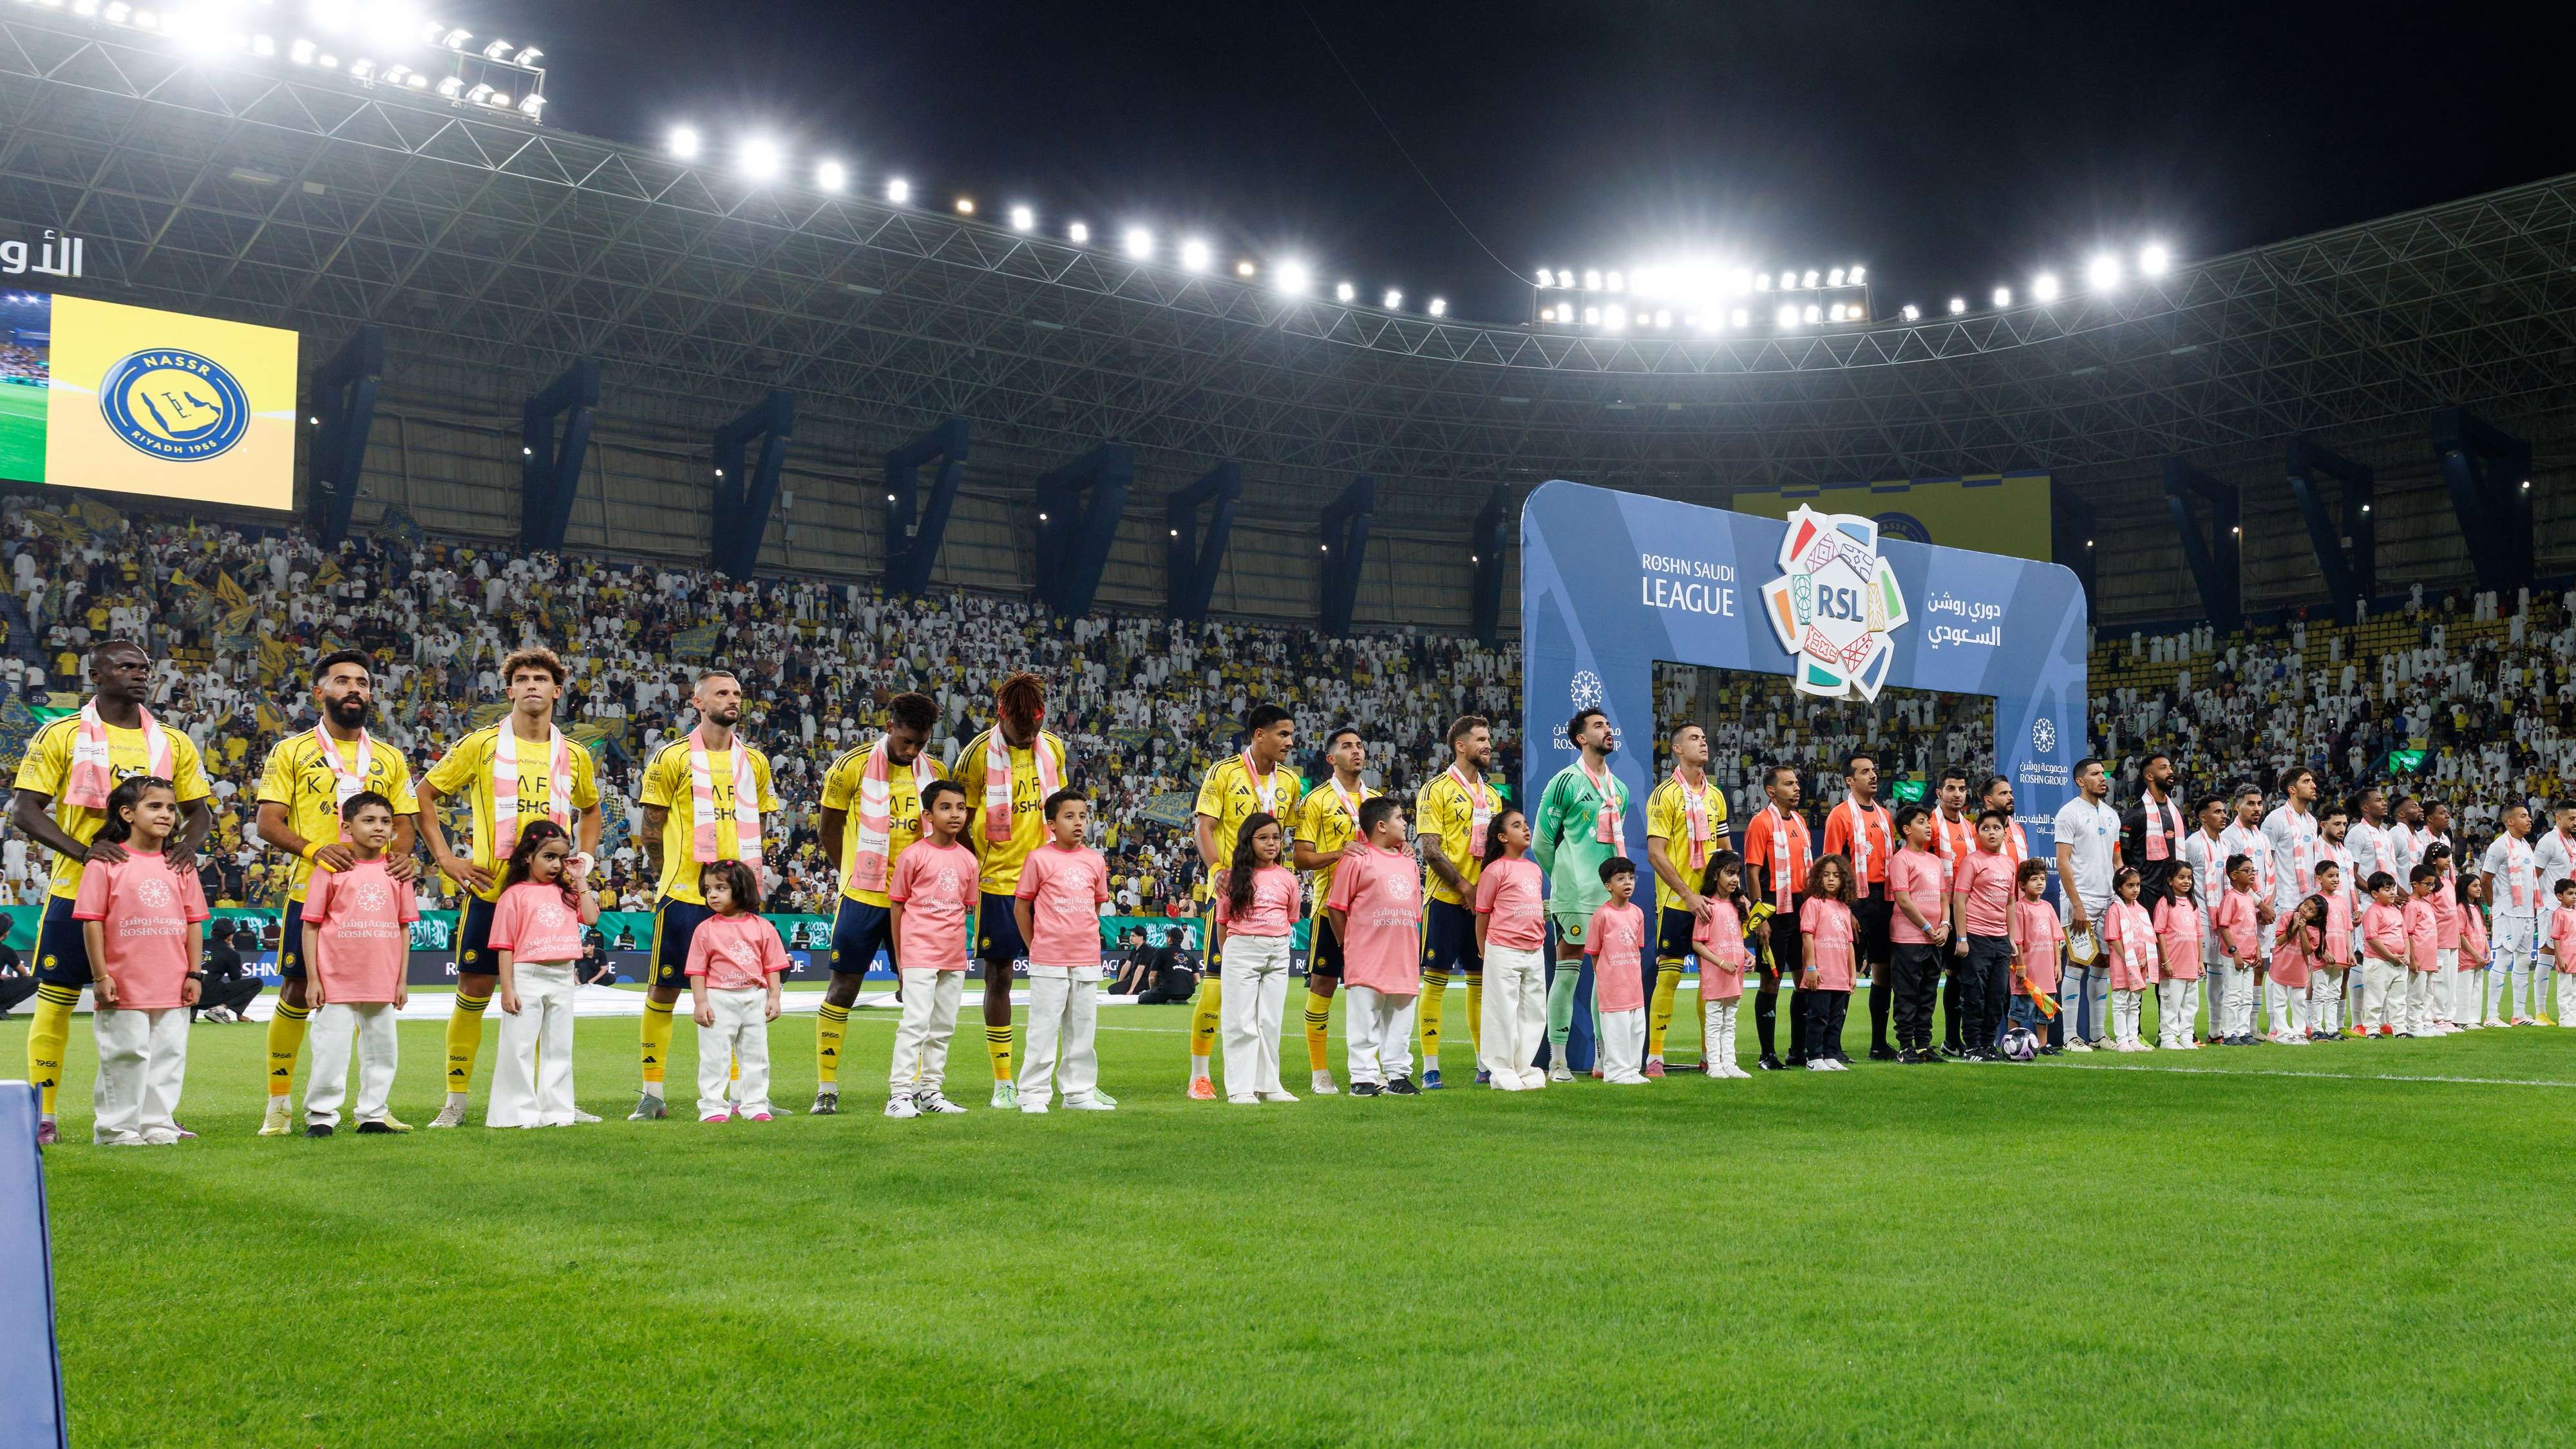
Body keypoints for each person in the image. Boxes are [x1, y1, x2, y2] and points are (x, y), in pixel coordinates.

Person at [12, 639, 215, 1148]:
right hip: (76, 890)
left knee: (158, 1013)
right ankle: (45, 1112)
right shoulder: (60, 734)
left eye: (145, 668)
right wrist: (82, 853)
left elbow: (200, 811)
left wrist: (186, 850)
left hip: (150, 900)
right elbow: (25, 809)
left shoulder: (172, 741)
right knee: (56, 1003)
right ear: (95, 672)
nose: (139, 674)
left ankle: (153, 1119)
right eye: (126, 666)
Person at [417, 647, 602, 1129]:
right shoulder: (480, 745)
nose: (532, 686)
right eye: (523, 679)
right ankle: (455, 1100)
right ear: (510, 690)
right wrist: (445, 857)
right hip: (491, 890)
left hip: (553, 900)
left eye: (541, 678)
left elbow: (592, 809)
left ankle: (554, 1101)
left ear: (557, 691)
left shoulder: (576, 754)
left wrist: (584, 858)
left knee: (552, 1003)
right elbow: (424, 794)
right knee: (474, 991)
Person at [251, 650, 419, 1136]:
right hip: (314, 892)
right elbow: (268, 822)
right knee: (299, 992)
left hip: (376, 898)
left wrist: (402, 857)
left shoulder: (389, 757)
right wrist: (315, 851)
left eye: (362, 683)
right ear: (319, 692)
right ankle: (279, 1104)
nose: (355, 689)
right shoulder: (291, 751)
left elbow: (405, 823)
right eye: (342, 681)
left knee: (379, 1002)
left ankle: (375, 1106)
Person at [632, 670, 778, 1121]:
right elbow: (651, 827)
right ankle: (652, 1093)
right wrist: (667, 878)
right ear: (698, 702)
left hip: (740, 903)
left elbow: (765, 822)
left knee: (739, 995)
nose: (733, 699)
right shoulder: (671, 757)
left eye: (737, 692)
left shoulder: (754, 761)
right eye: (722, 693)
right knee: (664, 990)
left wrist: (749, 886)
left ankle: (742, 1096)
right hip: (684, 896)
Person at [812, 690, 945, 1114]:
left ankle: (916, 1089)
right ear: (890, 728)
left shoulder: (935, 773)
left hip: (917, 902)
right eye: (907, 741)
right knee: (844, 988)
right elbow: (828, 831)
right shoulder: (850, 766)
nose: (913, 750)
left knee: (918, 994)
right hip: (864, 897)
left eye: (921, 743)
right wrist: (851, 874)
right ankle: (827, 1088)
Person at [74, 776, 209, 1146]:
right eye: (155, 806)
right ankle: (116, 1129)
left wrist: (194, 972)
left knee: (168, 1054)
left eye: (170, 808)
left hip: (173, 978)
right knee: (125, 1054)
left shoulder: (180, 864)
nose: (166, 814)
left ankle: (158, 1124)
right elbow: (92, 922)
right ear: (127, 813)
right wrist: (101, 976)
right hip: (124, 979)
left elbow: (194, 922)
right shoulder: (105, 863)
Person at [961, 672, 1074, 1108]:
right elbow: (961, 818)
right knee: (1000, 977)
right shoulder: (975, 757)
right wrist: (977, 869)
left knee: (1066, 981)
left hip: (1050, 881)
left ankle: (1072, 1079)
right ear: (1001, 716)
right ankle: (1003, 1081)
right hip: (1000, 884)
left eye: (1036, 729)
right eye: (1020, 730)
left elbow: (1061, 809)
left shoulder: (1053, 748)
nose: (1029, 737)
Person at [1188, 701, 1300, 1099]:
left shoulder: (1290, 782)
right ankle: (1200, 1075)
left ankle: (1265, 1081)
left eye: (1290, 734)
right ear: (1259, 735)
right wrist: (1218, 869)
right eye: (1283, 734)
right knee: (1217, 989)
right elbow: (1205, 825)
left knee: (1268, 1011)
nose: (1290, 741)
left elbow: (1287, 839)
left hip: (1268, 898)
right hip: (1230, 894)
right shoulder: (1224, 773)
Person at [298, 791, 417, 1136]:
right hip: (337, 979)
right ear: (347, 827)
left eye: (385, 822)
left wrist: (401, 980)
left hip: (381, 978)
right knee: (329, 1051)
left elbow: (404, 927)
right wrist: (313, 979)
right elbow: (311, 925)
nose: (379, 828)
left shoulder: (398, 872)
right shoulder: (332, 869)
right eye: (369, 820)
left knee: (382, 1052)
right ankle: (321, 1116)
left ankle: (373, 1114)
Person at [1532, 707, 1629, 1081]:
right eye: (1599, 726)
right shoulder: (1565, 782)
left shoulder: (1618, 788)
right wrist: (1566, 879)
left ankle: (1603, 1060)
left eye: (1608, 724)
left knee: (1605, 976)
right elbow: (1542, 842)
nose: (1608, 730)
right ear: (1581, 738)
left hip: (1610, 899)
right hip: (1575, 897)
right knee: (1568, 973)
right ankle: (1557, 1061)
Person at [484, 820, 600, 1128]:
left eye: (562, 858)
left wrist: (580, 879)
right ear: (527, 858)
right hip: (527, 976)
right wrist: (507, 989)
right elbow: (504, 947)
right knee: (518, 1048)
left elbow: (590, 917)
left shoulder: (567, 892)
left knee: (559, 1048)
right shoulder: (514, 896)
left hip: (564, 975)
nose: (557, 865)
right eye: (549, 857)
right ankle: (515, 1114)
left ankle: (557, 1113)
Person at [1014, 789, 1116, 1112]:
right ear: (1051, 824)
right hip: (1048, 958)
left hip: (1086, 957)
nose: (1078, 823)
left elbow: (1096, 908)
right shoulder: (1038, 858)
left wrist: (1083, 938)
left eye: (1083, 816)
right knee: (1042, 1030)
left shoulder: (1095, 860)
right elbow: (1022, 907)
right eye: (1069, 816)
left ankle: (1079, 1093)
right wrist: (1036, 946)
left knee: (1083, 1031)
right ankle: (1033, 1094)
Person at [1415, 714, 1501, 1088]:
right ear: (1460, 746)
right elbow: (1430, 850)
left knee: (1480, 984)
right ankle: (1430, 1066)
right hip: (1446, 899)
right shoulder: (1435, 789)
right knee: (1434, 983)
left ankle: (1484, 1063)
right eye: (1481, 739)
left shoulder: (1495, 796)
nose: (1488, 745)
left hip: (1482, 906)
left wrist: (1487, 893)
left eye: (1489, 739)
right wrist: (1467, 888)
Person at [1291, 724, 1376, 1095]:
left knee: (1376, 989)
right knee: (1324, 985)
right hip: (1331, 909)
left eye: (1359, 745)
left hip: (1373, 911)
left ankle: (1373, 1068)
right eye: (1347, 746)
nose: (1356, 751)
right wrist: (1340, 853)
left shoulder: (1377, 801)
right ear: (1331, 758)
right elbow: (1300, 858)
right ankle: (1319, 1071)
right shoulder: (1317, 800)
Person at [886, 778, 980, 1117]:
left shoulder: (969, 861)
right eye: (945, 807)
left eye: (960, 808)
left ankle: (930, 1091)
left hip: (953, 956)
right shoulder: (913, 856)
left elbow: (964, 908)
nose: (955, 814)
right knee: (915, 1025)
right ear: (928, 814)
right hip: (918, 952)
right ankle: (899, 1094)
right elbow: (897, 907)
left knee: (943, 1028)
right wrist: (900, 957)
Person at [1643, 721, 1730, 1076]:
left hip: (1712, 904)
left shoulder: (1717, 796)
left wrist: (1731, 893)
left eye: (1704, 736)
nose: (1703, 742)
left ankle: (1711, 1054)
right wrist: (1688, 894)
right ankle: (1655, 1056)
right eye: (1695, 738)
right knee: (1669, 977)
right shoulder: (1665, 795)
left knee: (1712, 981)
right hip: (1678, 903)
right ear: (1677, 749)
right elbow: (1655, 853)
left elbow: (1725, 851)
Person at [1323, 796, 1424, 1097]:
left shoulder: (1409, 860)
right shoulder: (1356, 859)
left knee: (1401, 1019)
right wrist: (1348, 945)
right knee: (1364, 1019)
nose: (1404, 823)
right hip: (1367, 954)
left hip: (1403, 954)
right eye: (1398, 818)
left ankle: (1397, 1075)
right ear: (1381, 826)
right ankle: (1364, 1077)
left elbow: (1413, 911)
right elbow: (1336, 907)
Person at [685, 858, 788, 1124]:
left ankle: (755, 1105)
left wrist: (774, 997)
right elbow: (697, 971)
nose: (713, 895)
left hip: (754, 997)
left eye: (720, 888)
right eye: (708, 890)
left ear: (740, 889)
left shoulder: (763, 927)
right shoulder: (705, 930)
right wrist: (700, 1003)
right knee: (714, 1058)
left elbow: (772, 966)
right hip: (718, 999)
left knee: (756, 1057)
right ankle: (713, 1108)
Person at [1208, 811, 1298, 1105]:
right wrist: (1231, 955)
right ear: (1249, 841)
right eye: (1264, 838)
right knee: (1240, 1021)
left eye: (1276, 837)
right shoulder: (1232, 879)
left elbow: (1291, 917)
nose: (1272, 843)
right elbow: (1223, 923)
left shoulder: (1288, 879)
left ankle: (1269, 1085)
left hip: (1278, 950)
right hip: (1242, 949)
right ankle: (1241, 1088)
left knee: (1270, 1021)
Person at [1820, 752, 1897, 1060]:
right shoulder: (1839, 816)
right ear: (1850, 781)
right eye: (1865, 772)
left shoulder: (1885, 816)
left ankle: (1879, 1044)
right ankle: (1832, 1046)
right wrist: (1843, 908)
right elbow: (1831, 865)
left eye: (1874, 770)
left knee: (1884, 973)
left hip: (1885, 900)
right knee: (1842, 974)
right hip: (1854, 901)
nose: (1873, 776)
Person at [1472, 806, 1548, 1090]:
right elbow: (1483, 914)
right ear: (1502, 837)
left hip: (1534, 948)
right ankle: (1501, 1070)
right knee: (1502, 1011)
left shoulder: (1533, 869)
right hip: (1503, 948)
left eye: (1526, 824)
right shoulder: (1495, 870)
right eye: (1517, 825)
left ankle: (1524, 1068)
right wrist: (1484, 950)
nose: (1526, 829)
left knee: (1533, 1011)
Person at [1740, 764, 1810, 1070]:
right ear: (1771, 791)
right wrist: (1760, 918)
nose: (1796, 788)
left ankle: (1798, 1050)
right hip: (1772, 908)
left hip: (1799, 908)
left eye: (1796, 783)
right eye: (1789, 784)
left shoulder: (1800, 821)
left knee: (1804, 981)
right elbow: (1752, 871)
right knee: (1771, 982)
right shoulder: (1761, 823)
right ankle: (1767, 1054)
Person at [2052, 756, 2118, 1052]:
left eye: (2103, 773)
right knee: (2077, 964)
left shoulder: (2112, 815)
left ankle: (2097, 1034)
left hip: (2108, 898)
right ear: (2080, 781)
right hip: (2081, 899)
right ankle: (2069, 1036)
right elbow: (2063, 862)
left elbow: (2116, 860)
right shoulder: (2069, 813)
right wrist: (2076, 904)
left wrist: (2121, 897)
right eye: (2095, 774)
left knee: (2102, 964)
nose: (2102, 778)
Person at [1885, 804, 1953, 1064]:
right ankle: (1905, 1046)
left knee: (1927, 994)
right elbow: (1903, 900)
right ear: (1906, 829)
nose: (1928, 826)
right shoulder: (1901, 859)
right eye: (1922, 822)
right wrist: (1928, 928)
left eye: (1928, 822)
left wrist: (1945, 926)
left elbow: (1943, 898)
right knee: (1906, 994)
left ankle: (1924, 1045)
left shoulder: (1934, 861)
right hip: (1908, 939)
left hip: (1935, 938)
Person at [2260, 768, 2324, 1042]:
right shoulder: (2274, 820)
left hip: (2307, 902)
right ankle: (2276, 1026)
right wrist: (2268, 902)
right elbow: (2266, 863)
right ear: (2292, 789)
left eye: (2313, 780)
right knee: (2278, 966)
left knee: (2303, 963)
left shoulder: (2312, 821)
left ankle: (2300, 1024)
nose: (2314, 785)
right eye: (2307, 781)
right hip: (2284, 901)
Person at [1951, 809, 2018, 1061]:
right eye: (1985, 828)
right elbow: (1960, 901)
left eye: (1996, 828)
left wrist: (2011, 938)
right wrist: (1962, 937)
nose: (1991, 832)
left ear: (2004, 832)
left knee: (1998, 995)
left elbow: (2010, 903)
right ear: (1977, 833)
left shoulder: (2009, 863)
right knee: (1974, 995)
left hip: (2000, 939)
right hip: (1976, 937)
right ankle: (1972, 1046)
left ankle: (1989, 1044)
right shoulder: (1972, 861)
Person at [2215, 791, 2277, 1041]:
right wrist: (2261, 905)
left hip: (2260, 911)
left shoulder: (2262, 837)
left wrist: (2267, 905)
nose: (2257, 808)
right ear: (2237, 806)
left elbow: (2269, 874)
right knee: (2231, 985)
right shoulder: (2230, 836)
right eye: (2250, 804)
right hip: (2246, 911)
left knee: (2259, 970)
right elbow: (2236, 874)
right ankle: (2221, 1029)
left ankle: (2249, 1029)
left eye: (2260, 804)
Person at [1585, 857, 1649, 1085]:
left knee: (1636, 1030)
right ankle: (1615, 1073)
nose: (1627, 883)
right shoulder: (1602, 915)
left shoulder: (1638, 913)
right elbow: (1594, 952)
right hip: (1613, 988)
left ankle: (1632, 1070)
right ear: (1608, 886)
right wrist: (1604, 975)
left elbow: (1637, 947)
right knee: (1617, 1031)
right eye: (1620, 879)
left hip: (1634, 986)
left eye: (1631, 878)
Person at [1689, 849, 1754, 1079]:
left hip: (1734, 974)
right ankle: (1714, 1064)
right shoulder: (1708, 907)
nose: (1735, 879)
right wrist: (1721, 963)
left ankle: (1730, 1063)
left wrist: (1746, 954)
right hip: (1717, 975)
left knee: (1731, 1020)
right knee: (1715, 1020)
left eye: (1737, 874)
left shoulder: (1736, 907)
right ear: (1716, 875)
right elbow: (1698, 944)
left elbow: (1733, 938)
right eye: (1729, 873)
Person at [2478, 802, 2543, 1027]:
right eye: (2523, 816)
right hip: (2507, 911)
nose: (2529, 819)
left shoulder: (2525, 845)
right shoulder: (2499, 846)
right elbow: (2485, 880)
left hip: (2526, 912)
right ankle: (2492, 1016)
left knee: (2523, 961)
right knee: (2503, 959)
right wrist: (2494, 907)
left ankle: (2519, 1014)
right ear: (2510, 821)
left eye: (2528, 816)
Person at [1798, 854, 1857, 1070]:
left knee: (1835, 1019)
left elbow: (1849, 943)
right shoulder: (1813, 904)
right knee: (1818, 1018)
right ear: (1817, 878)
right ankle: (1814, 1058)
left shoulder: (1844, 908)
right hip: (1821, 975)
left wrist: (1852, 974)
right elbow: (1807, 936)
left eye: (1836, 875)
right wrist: (1811, 968)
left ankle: (1831, 1055)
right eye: (1826, 875)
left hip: (1840, 977)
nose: (1831, 879)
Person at [2008, 859, 2065, 1055]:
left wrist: (2057, 965)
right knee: (2019, 1009)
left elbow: (2057, 939)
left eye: (2043, 878)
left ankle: (2043, 1045)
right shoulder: (2019, 908)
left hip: (2047, 972)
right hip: (2028, 973)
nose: (2040, 883)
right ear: (2022, 885)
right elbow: (2018, 940)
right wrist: (2021, 966)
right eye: (2034, 879)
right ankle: (2013, 1042)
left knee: (2045, 1010)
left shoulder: (2048, 907)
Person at [2121, 752, 2189, 905]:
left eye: (2170, 767)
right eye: (2164, 768)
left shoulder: (2176, 811)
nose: (2171, 772)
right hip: (2145, 895)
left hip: (2172, 894)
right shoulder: (2136, 814)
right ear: (2150, 776)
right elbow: (2122, 855)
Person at [2101, 867, 2156, 1052]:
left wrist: (2145, 959)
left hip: (2139, 965)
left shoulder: (2141, 910)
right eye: (2130, 885)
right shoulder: (2116, 910)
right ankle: (2122, 1039)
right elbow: (2113, 938)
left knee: (2135, 1003)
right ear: (2119, 888)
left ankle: (2133, 1038)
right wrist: (2128, 959)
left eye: (2138, 885)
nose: (2135, 889)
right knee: (2121, 1002)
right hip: (2122, 965)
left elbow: (2149, 938)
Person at [2151, 864, 2206, 1051]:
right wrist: (2165, 960)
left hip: (2191, 965)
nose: (2186, 881)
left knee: (2191, 1005)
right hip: (2173, 966)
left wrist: (2200, 961)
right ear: (2170, 880)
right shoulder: (2165, 903)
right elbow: (2160, 933)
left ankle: (2186, 1037)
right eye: (2181, 877)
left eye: (2189, 878)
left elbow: (2198, 934)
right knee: (2170, 1003)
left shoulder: (2193, 905)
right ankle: (2167, 1037)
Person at [2210, 855, 2263, 1045]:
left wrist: (2257, 949)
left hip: (2250, 955)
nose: (2252, 874)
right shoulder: (2231, 898)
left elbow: (2252, 927)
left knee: (2247, 996)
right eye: (2247, 871)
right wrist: (2235, 952)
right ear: (2233, 875)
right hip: (2235, 956)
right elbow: (2224, 927)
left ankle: (2243, 1031)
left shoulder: (2249, 898)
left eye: (2253, 871)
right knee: (2233, 995)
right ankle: (2230, 1033)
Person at [2357, 871, 2408, 1038]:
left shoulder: (2396, 911)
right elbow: (2372, 939)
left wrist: (2406, 954)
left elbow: (2405, 935)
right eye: (2387, 889)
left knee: (2399, 998)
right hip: (2378, 962)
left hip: (2399, 962)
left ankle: (2400, 1029)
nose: (2393, 892)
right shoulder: (2373, 912)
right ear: (2374, 894)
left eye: (2393, 888)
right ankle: (2372, 1030)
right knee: (2375, 998)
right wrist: (2390, 956)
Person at [2269, 894, 2324, 1046]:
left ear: (2317, 917)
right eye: (2306, 905)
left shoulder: (2315, 930)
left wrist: (2303, 930)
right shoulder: (2288, 916)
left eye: (2312, 910)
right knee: (2280, 1001)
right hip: (2281, 965)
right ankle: (2282, 1033)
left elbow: (2307, 951)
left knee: (2299, 1000)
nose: (2306, 910)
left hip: (2299, 968)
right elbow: (2280, 941)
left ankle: (2299, 1032)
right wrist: (2294, 926)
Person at [2310, 860, 2354, 1039]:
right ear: (2319, 878)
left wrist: (2349, 952)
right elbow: (2313, 929)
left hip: (2340, 954)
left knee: (2335, 993)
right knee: (2320, 991)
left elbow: (2347, 929)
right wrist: (2322, 950)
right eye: (2330, 876)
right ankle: (2316, 1029)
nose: (2335, 879)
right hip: (2323, 955)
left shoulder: (2343, 901)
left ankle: (2332, 1028)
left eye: (2337, 875)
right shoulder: (2316, 901)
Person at [2401, 864, 2443, 1038]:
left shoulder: (2426, 904)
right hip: (2418, 956)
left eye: (2432, 885)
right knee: (2416, 994)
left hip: (2430, 955)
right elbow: (2409, 934)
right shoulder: (2411, 905)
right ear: (2414, 884)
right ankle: (2414, 1025)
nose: (2430, 888)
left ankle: (2426, 1023)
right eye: (2427, 884)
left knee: (2428, 993)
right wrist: (2412, 958)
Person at [194, 919, 260, 1024]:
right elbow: (236, 979)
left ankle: (190, 1013)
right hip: (211, 996)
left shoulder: (197, 944)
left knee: (200, 977)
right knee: (257, 983)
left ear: (211, 932)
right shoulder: (231, 953)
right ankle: (220, 1010)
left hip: (190, 994)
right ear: (230, 936)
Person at [2456, 873, 2492, 1030]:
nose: (2479, 889)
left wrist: (2487, 950)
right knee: (2464, 989)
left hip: (2479, 957)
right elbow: (2460, 935)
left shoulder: (2477, 908)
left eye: (2479, 886)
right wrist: (2476, 955)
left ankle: (2473, 1019)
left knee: (2477, 990)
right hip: (2467, 958)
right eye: (2475, 886)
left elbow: (2483, 932)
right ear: (2465, 888)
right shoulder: (2460, 909)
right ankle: (2462, 1020)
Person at [2549, 879, 2576, 1026]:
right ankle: (2565, 1017)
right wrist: (2560, 959)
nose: (2574, 897)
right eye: (2570, 894)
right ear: (2560, 896)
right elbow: (2556, 938)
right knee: (2565, 990)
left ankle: (2573, 1015)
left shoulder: (2574, 912)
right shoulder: (2559, 914)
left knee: (2575, 991)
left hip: (2575, 957)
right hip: (2566, 958)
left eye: (2575, 893)